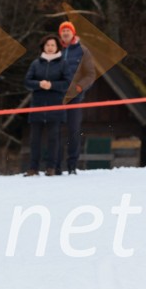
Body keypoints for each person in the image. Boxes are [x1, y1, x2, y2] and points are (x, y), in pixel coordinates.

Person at [24, 34, 71, 176]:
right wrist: (39, 84)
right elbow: (27, 81)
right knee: (34, 140)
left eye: (52, 45)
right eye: (47, 45)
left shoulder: (63, 63)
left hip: (55, 106)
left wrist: (52, 85)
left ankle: (52, 167)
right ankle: (33, 168)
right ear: (43, 47)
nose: (50, 48)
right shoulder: (35, 63)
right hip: (37, 106)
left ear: (57, 47)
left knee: (53, 139)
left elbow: (67, 83)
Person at [58, 21, 95, 174]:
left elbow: (91, 74)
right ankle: (55, 165)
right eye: (63, 31)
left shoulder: (82, 50)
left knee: (73, 130)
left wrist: (79, 87)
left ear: (73, 33)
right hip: (57, 96)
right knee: (56, 131)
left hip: (75, 97)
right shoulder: (55, 49)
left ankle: (72, 165)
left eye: (68, 30)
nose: (66, 33)